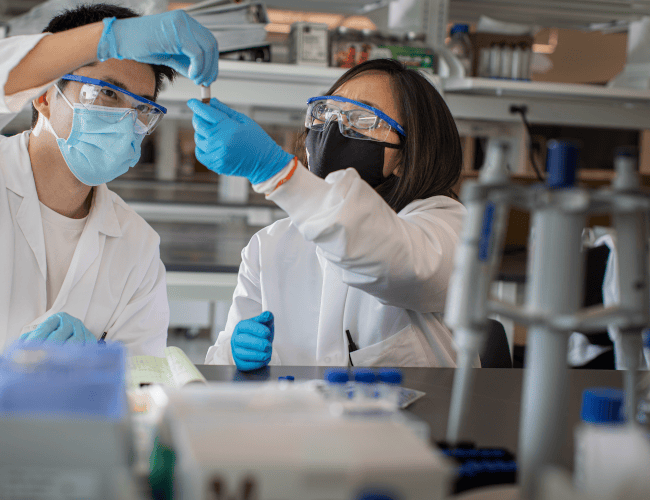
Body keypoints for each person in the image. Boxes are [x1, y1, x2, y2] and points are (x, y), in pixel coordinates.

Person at [0, 4, 218, 360]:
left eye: (143, 108)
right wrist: (106, 38)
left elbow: (142, 379)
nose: (125, 120)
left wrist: (96, 366)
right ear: (43, 95)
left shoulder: (137, 245)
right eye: (109, 93)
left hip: (58, 417)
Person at [191, 59, 465, 369]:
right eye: (326, 112)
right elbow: (219, 363)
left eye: (361, 118)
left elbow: (394, 260)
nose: (333, 127)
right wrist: (234, 353)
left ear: (408, 153)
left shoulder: (444, 227)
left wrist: (275, 172)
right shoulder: (270, 244)